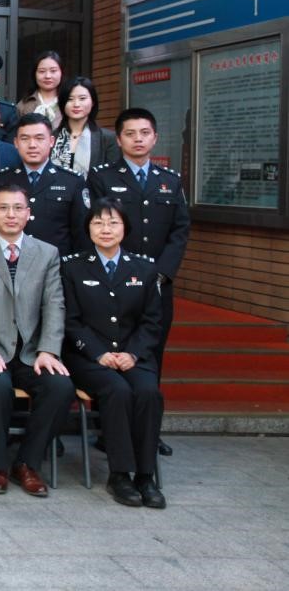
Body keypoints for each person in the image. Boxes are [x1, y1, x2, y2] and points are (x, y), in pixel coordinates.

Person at [0, 184, 73, 498]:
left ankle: (27, 462)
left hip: (31, 352)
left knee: (60, 387)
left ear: (28, 213)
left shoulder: (47, 253)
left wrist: (48, 350)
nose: (11, 214)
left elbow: (54, 304)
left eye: (18, 208)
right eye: (3, 208)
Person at [88, 108, 189, 442]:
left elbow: (179, 230)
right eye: (130, 134)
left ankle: (148, 434)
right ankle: (108, 431)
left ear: (155, 137)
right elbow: (96, 227)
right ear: (118, 140)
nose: (138, 139)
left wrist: (161, 274)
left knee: (150, 354)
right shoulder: (103, 177)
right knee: (109, 352)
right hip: (112, 282)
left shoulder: (169, 179)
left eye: (145, 133)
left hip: (156, 285)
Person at [62, 199, 166, 509]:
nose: (105, 229)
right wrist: (98, 354)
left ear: (125, 228)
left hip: (134, 356)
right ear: (88, 229)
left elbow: (152, 322)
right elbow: (71, 321)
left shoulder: (144, 268)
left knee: (148, 393)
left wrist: (133, 354)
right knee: (117, 390)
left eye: (113, 223)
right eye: (98, 223)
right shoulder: (72, 267)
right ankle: (119, 474)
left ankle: (145, 476)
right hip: (88, 358)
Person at [0, 113, 88, 255]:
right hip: (10, 262)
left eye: (39, 138)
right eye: (25, 139)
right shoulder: (0, 180)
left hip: (57, 264)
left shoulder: (72, 181)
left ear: (51, 141)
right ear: (16, 142)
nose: (32, 145)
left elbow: (81, 233)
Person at [51, 76, 118, 175]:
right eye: (70, 99)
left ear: (93, 102)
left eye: (82, 98)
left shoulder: (108, 138)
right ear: (62, 103)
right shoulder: (51, 137)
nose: (76, 104)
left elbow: (112, 176)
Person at [16, 51, 63, 129]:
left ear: (61, 72)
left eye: (53, 71)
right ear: (34, 74)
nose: (48, 76)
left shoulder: (68, 102)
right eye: (42, 71)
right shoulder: (23, 105)